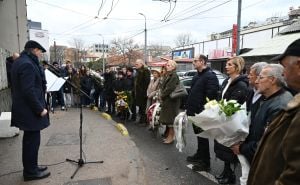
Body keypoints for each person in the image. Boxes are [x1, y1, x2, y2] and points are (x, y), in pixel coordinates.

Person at [247, 39, 300, 185]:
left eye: (284, 67)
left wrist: (244, 148)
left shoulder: (284, 103)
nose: (284, 74)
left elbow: (294, 171)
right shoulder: (270, 99)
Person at [231, 63, 293, 185]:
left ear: (273, 80)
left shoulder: (280, 105)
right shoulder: (268, 98)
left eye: (261, 77)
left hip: (269, 167)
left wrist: (242, 148)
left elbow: (269, 143)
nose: (257, 81)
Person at [10, 40, 50, 181]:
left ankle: (32, 167)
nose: (40, 54)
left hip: (26, 110)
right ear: (33, 50)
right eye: (40, 51)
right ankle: (30, 172)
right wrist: (40, 109)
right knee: (31, 142)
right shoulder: (27, 64)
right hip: (30, 111)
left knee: (30, 141)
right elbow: (28, 91)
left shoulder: (22, 61)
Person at [214, 56, 250, 184]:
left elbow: (234, 104)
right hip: (223, 120)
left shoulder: (241, 84)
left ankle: (231, 175)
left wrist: (220, 111)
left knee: (230, 148)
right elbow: (221, 98)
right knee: (223, 147)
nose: (226, 66)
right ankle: (226, 171)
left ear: (237, 67)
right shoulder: (227, 81)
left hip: (232, 122)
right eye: (227, 64)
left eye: (229, 64)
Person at [186, 54, 219, 172]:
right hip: (194, 112)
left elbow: (211, 95)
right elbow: (192, 93)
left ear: (203, 62)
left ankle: (205, 163)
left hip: (202, 113)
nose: (193, 63)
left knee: (203, 138)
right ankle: (199, 155)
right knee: (199, 136)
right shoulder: (197, 75)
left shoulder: (210, 76)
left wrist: (202, 109)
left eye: (195, 61)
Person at [159, 60, 181, 144]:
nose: (166, 66)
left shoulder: (174, 76)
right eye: (167, 65)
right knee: (169, 120)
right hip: (168, 100)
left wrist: (162, 95)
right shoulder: (169, 75)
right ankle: (169, 136)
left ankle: (171, 137)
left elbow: (169, 88)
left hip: (172, 101)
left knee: (171, 121)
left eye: (168, 65)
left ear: (173, 67)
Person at [134, 59, 151, 125]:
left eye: (137, 64)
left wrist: (144, 92)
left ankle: (144, 121)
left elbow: (146, 82)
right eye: (135, 64)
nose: (135, 65)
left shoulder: (145, 71)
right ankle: (141, 120)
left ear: (141, 64)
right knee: (140, 107)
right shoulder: (138, 71)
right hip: (138, 92)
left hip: (143, 93)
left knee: (144, 107)